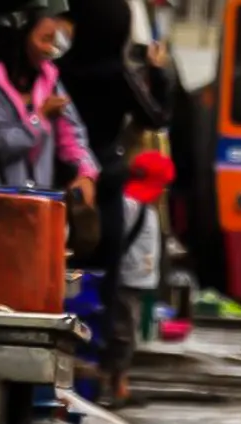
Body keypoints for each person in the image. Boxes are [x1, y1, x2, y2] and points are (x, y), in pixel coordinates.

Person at [57, 0, 175, 397]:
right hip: (105, 182)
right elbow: (155, 117)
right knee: (103, 277)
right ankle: (97, 369)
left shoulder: (60, 68)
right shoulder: (118, 74)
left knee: (60, 273)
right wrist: (159, 74)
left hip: (63, 178)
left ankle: (60, 365)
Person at [0, 12, 99, 194]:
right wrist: (39, 119)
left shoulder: (50, 81)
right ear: (23, 36)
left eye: (55, 42)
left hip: (41, 197)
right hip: (1, 197)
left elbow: (72, 133)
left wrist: (86, 172)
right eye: (45, 39)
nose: (50, 49)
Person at [106, 150, 176, 406]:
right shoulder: (130, 205)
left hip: (136, 280)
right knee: (122, 335)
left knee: (127, 333)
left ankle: (119, 383)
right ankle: (116, 386)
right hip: (127, 279)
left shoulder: (143, 207)